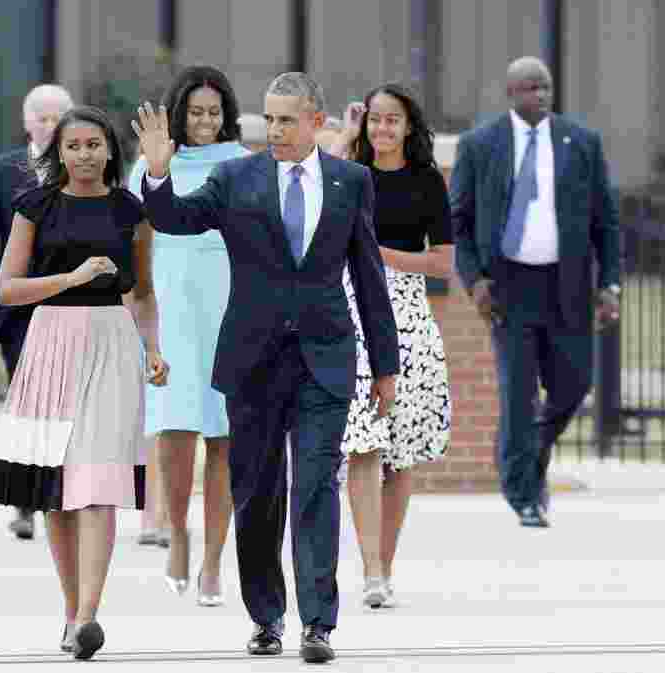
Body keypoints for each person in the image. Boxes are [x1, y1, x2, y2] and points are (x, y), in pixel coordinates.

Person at [133, 72, 399, 664]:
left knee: (314, 486)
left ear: (316, 123)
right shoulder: (235, 177)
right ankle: (267, 618)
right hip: (252, 359)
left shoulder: (350, 181)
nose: (273, 129)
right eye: (268, 118)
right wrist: (157, 173)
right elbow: (177, 218)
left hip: (324, 358)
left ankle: (319, 624)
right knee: (256, 493)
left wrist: (386, 366)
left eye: (285, 119)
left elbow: (368, 274)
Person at [0, 105, 168, 660]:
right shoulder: (34, 205)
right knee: (55, 493)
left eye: (94, 144)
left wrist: (153, 348)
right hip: (51, 341)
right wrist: (71, 277)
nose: (84, 154)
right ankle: (70, 612)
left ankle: (90, 614)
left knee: (99, 483)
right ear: (57, 153)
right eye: (73, 146)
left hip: (112, 343)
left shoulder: (131, 211)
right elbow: (6, 289)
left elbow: (142, 290)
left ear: (109, 150)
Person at [450, 56, 621, 528]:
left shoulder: (580, 142)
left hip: (566, 284)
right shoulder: (481, 144)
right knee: (519, 392)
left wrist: (609, 284)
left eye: (545, 87)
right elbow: (458, 222)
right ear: (511, 93)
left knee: (573, 383)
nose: (540, 96)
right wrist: (475, 281)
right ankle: (523, 493)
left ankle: (530, 450)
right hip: (508, 287)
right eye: (530, 88)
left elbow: (605, 220)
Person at [127, 64, 248, 607]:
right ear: (180, 113)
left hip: (230, 306)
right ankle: (177, 535)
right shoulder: (152, 165)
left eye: (214, 113)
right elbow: (137, 239)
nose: (204, 121)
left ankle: (215, 560)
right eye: (195, 112)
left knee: (224, 437)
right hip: (172, 308)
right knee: (174, 432)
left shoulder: (246, 165)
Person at [332, 83, 453, 609]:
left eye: (392, 121)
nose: (382, 129)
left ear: (408, 127)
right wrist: (343, 139)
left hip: (406, 311)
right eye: (374, 120)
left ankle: (383, 568)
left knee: (399, 454)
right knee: (362, 442)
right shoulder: (348, 174)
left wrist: (380, 255)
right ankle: (369, 566)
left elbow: (443, 261)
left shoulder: (427, 181)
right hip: (350, 307)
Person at [0, 83, 74, 540]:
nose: (50, 125)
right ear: (27, 121)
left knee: (66, 403)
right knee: (29, 401)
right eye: (42, 117)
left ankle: (62, 493)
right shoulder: (2, 169)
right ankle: (25, 500)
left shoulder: (87, 162)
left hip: (75, 304)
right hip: (21, 308)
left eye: (58, 117)